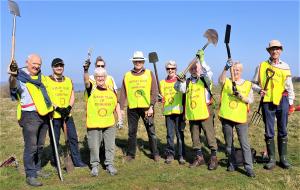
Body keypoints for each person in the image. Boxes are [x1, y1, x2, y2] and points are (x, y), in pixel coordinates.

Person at [9, 54, 53, 186]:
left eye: (39, 64)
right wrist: (13, 74)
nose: (37, 66)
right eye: (34, 63)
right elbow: (13, 86)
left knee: (40, 146)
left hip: (44, 114)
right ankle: (30, 175)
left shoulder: (41, 78)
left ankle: (37, 169)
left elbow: (47, 94)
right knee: (31, 146)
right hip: (29, 116)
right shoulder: (20, 77)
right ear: (27, 63)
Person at [253, 40, 295, 170]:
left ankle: (283, 158)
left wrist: (291, 103)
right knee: (269, 130)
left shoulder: (286, 66)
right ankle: (271, 158)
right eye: (272, 49)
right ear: (269, 51)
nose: (275, 51)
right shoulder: (261, 66)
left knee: (283, 129)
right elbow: (253, 84)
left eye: (277, 49)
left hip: (282, 100)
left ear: (280, 50)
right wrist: (259, 90)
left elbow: (289, 86)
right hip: (267, 101)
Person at [175, 50, 218, 170]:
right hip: (193, 114)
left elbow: (209, 72)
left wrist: (202, 60)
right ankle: (199, 158)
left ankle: (214, 158)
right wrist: (179, 80)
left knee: (209, 136)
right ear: (189, 70)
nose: (194, 70)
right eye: (192, 68)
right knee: (195, 137)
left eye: (196, 68)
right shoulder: (187, 82)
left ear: (200, 69)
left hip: (205, 112)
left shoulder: (205, 79)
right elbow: (178, 89)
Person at [218, 60, 261, 177]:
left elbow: (250, 100)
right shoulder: (227, 81)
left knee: (244, 143)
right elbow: (220, 81)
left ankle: (249, 167)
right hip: (226, 116)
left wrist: (241, 96)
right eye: (233, 69)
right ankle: (231, 163)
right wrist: (225, 68)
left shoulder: (247, 84)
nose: (235, 71)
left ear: (241, 71)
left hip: (240, 118)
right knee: (229, 142)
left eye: (237, 70)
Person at [119, 51, 160, 162]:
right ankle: (131, 154)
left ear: (143, 62)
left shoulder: (149, 73)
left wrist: (151, 106)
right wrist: (121, 108)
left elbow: (154, 91)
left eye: (140, 61)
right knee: (132, 132)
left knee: (151, 131)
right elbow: (123, 92)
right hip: (132, 108)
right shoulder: (127, 75)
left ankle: (155, 153)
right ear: (133, 61)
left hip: (147, 108)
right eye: (136, 60)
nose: (138, 62)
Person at [46, 58, 87, 168]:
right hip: (54, 116)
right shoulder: (47, 80)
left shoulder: (68, 80)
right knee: (55, 139)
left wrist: (69, 107)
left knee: (73, 138)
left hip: (67, 115)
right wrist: (57, 108)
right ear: (52, 67)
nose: (59, 68)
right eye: (56, 66)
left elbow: (72, 94)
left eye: (61, 66)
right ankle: (55, 161)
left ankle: (77, 161)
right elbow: (47, 97)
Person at [83, 60, 120, 176]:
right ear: (94, 78)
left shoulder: (111, 91)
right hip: (94, 124)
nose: (100, 79)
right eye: (97, 77)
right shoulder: (91, 89)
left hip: (109, 123)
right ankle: (95, 166)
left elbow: (116, 105)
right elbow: (86, 82)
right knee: (94, 146)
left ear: (105, 77)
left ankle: (109, 164)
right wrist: (85, 71)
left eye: (102, 77)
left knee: (110, 146)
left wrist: (119, 119)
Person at [160, 60, 186, 165]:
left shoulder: (180, 80)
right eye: (168, 68)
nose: (170, 70)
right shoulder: (162, 82)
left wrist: (182, 81)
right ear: (166, 69)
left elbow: (184, 91)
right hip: (168, 112)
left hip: (179, 111)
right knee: (170, 135)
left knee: (180, 134)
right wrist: (160, 99)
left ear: (176, 69)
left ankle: (181, 155)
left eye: (173, 68)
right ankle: (170, 154)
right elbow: (161, 97)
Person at [88, 56, 123, 129]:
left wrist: (119, 117)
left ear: (105, 66)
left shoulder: (110, 78)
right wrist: (85, 70)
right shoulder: (90, 79)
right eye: (98, 66)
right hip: (94, 116)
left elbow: (116, 100)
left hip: (108, 115)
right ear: (95, 66)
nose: (100, 67)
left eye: (102, 66)